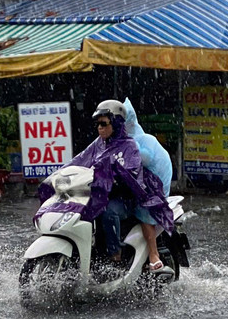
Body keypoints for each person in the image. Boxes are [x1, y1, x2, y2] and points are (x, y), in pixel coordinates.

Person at [37, 99, 174, 269]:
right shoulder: (99, 143)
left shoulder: (130, 146)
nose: (99, 128)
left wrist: (113, 178)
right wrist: (56, 177)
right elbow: (80, 159)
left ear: (115, 123)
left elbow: (132, 172)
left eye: (103, 123)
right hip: (101, 193)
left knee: (107, 212)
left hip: (125, 197)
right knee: (80, 210)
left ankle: (115, 255)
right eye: (97, 124)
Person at [123, 99, 175, 275]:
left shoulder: (136, 139)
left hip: (155, 184)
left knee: (145, 211)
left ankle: (154, 256)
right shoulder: (122, 137)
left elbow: (142, 158)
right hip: (144, 179)